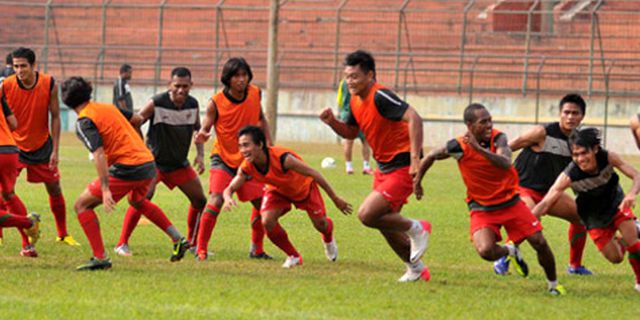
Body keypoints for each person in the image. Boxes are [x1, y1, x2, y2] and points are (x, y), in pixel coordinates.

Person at [414, 103, 565, 295]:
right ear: (470, 125)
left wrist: (478, 149)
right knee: (485, 251)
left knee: (539, 242)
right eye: (483, 122)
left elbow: (504, 162)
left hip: (511, 203)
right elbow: (431, 156)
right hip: (482, 208)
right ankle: (510, 252)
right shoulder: (458, 146)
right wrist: (418, 180)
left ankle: (553, 285)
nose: (489, 125)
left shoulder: (499, 138)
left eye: (490, 120)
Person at [320, 50, 432, 282]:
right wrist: (332, 123)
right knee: (385, 224)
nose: (350, 81)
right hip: (383, 166)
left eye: (355, 76)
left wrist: (414, 161)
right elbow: (351, 131)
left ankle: (418, 228)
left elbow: (414, 117)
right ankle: (416, 269)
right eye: (347, 77)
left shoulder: (380, 95)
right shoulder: (353, 99)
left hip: (401, 164)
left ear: (370, 75)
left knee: (367, 214)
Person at [60, 76, 190, 271]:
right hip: (147, 162)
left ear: (66, 100)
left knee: (82, 205)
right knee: (138, 201)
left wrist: (105, 189)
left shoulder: (84, 120)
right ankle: (178, 238)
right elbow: (137, 119)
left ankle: (100, 257)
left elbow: (99, 153)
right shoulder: (108, 108)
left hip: (128, 168)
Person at [223, 126, 351, 267]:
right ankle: (293, 256)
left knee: (321, 225)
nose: (243, 150)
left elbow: (314, 174)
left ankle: (328, 238)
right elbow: (231, 186)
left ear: (260, 144)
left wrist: (335, 199)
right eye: (240, 146)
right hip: (278, 192)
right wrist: (228, 196)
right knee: (267, 221)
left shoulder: (284, 158)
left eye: (246, 145)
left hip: (304, 189)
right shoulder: (247, 166)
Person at [532, 128, 640, 293]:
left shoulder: (608, 157)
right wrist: (528, 221)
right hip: (592, 217)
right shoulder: (569, 174)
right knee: (616, 258)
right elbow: (547, 200)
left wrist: (631, 194)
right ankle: (634, 230)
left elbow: (636, 175)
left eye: (584, 153)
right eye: (575, 155)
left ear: (595, 149)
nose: (580, 159)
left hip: (616, 205)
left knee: (634, 245)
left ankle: (639, 282)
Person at [494, 94, 592, 275]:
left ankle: (575, 266)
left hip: (550, 193)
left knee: (582, 217)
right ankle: (503, 258)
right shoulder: (542, 132)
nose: (570, 117)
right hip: (523, 188)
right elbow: (507, 148)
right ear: (560, 114)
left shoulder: (578, 142)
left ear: (582, 117)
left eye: (575, 113)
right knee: (531, 221)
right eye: (567, 112)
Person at [113, 67, 207, 256]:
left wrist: (200, 154)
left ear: (191, 86)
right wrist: (140, 149)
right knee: (140, 200)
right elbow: (136, 121)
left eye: (185, 86)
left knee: (200, 200)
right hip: (154, 164)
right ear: (169, 85)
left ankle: (191, 243)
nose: (181, 90)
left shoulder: (193, 104)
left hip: (179, 164)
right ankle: (122, 243)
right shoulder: (157, 102)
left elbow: (198, 130)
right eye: (177, 86)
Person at [193, 57, 273, 261]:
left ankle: (257, 249)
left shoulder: (256, 93)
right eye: (236, 75)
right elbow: (205, 127)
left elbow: (261, 118)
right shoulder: (215, 102)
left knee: (262, 203)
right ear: (227, 79)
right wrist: (201, 135)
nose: (241, 79)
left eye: (244, 75)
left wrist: (270, 145)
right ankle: (200, 249)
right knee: (216, 199)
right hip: (223, 158)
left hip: (250, 160)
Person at [0, 47, 78, 254]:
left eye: (23, 66)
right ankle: (24, 241)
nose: (19, 70)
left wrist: (55, 150)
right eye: (15, 66)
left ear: (34, 66)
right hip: (14, 146)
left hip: (42, 145)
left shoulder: (49, 83)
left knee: (54, 188)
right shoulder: (6, 86)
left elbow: (54, 116)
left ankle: (62, 234)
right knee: (6, 193)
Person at [0, 86, 40, 253]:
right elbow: (13, 123)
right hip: (9, 149)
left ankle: (28, 222)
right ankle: (27, 245)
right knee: (8, 194)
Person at [336, 79, 372, 175]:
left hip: (347, 113)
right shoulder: (361, 81)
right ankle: (366, 166)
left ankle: (349, 167)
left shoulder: (343, 83)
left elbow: (339, 100)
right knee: (365, 141)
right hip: (360, 111)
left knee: (348, 140)